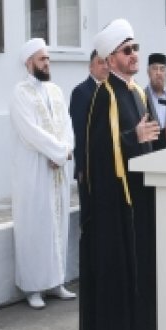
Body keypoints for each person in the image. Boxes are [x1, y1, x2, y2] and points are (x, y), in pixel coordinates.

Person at [79, 19, 166, 330]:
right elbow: (96, 151)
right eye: (127, 51)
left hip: (142, 199)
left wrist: (165, 136)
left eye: (135, 49)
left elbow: (147, 140)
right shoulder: (105, 95)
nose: (134, 56)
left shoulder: (138, 93)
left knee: (144, 271)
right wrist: (132, 136)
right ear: (110, 60)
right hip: (116, 207)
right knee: (121, 273)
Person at [8, 38, 76, 310]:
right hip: (34, 169)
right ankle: (33, 286)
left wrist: (66, 151)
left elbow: (68, 125)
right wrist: (57, 152)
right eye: (41, 59)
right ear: (29, 63)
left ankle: (56, 282)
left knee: (58, 223)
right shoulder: (20, 93)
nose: (46, 63)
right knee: (36, 226)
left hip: (57, 169)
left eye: (47, 59)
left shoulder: (56, 91)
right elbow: (30, 132)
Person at [70, 50, 109, 214]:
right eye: (100, 62)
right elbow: (78, 132)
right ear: (90, 67)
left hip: (107, 166)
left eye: (107, 62)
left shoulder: (111, 91)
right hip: (89, 166)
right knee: (90, 213)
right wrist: (81, 168)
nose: (105, 66)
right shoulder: (82, 92)